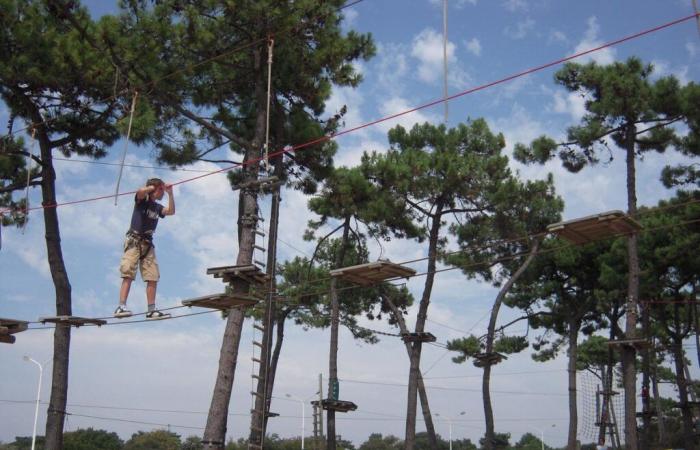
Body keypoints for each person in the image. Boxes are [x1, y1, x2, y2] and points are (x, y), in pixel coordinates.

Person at [115, 178, 175, 320]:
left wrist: (170, 194)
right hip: (134, 241)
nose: (162, 193)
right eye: (161, 190)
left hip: (148, 244)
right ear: (154, 188)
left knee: (152, 276)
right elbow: (140, 192)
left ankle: (151, 310)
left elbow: (171, 211)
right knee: (128, 271)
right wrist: (153, 188)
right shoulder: (142, 201)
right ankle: (121, 306)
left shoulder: (157, 207)